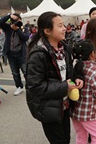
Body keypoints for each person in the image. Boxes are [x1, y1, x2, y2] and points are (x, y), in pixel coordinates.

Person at [26, 11, 83, 144]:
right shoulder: (38, 54)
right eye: (60, 25)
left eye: (63, 25)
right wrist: (65, 86)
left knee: (66, 139)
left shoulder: (65, 48)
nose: (64, 28)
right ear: (47, 30)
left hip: (64, 104)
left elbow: (69, 72)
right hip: (48, 108)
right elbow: (34, 86)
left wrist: (78, 77)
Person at [70, 39, 96, 144]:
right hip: (89, 112)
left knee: (81, 137)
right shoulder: (94, 70)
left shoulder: (75, 67)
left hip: (75, 112)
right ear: (92, 54)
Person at [0, 13, 29, 96]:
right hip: (11, 54)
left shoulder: (24, 28)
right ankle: (19, 87)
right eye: (14, 20)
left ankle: (30, 87)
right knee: (15, 72)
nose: (16, 22)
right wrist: (9, 16)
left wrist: (17, 29)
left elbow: (26, 38)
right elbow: (0, 22)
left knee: (26, 71)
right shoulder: (8, 28)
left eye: (18, 20)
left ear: (20, 20)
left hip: (21, 54)